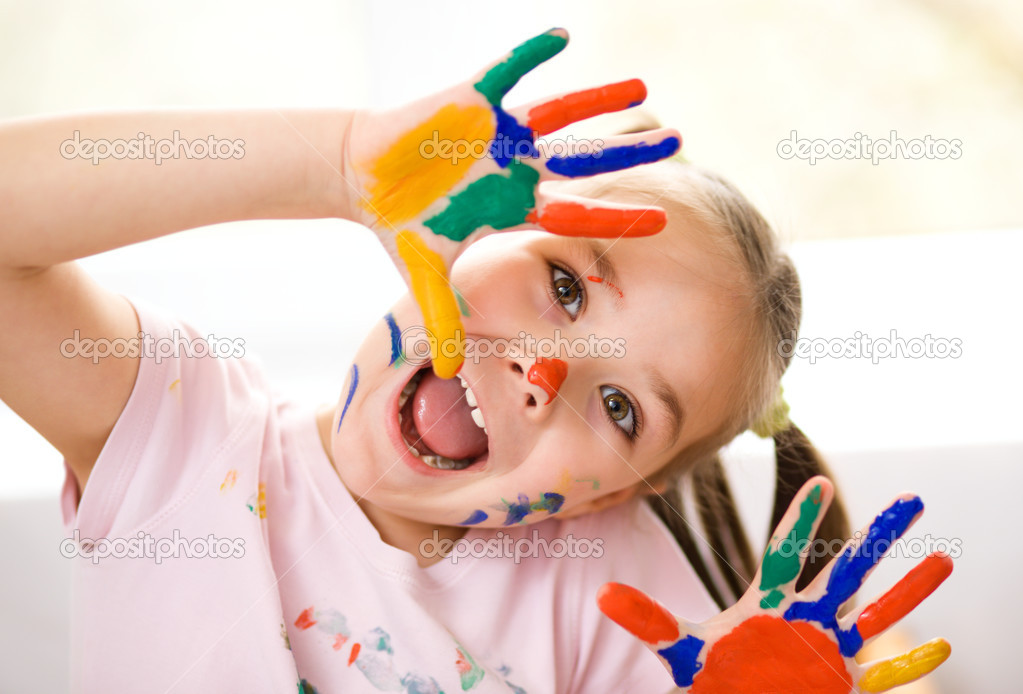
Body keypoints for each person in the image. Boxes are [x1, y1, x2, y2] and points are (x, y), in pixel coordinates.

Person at [0, 29, 948, 693]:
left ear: (615, 494)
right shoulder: (185, 435)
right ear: (469, 226)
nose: (545, 374)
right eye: (567, 287)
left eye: (621, 409)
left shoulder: (611, 604)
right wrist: (334, 163)